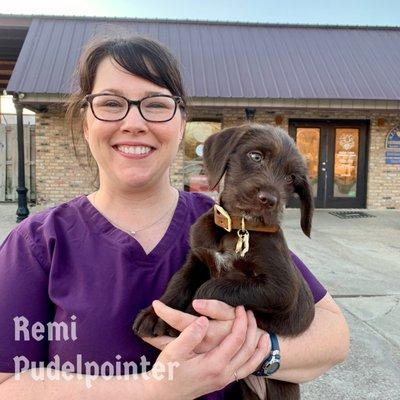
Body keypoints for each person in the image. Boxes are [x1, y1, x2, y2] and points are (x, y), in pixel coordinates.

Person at [0, 36, 349, 399]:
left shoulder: (233, 223)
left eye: (155, 104)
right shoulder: (38, 242)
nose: (133, 122)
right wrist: (153, 388)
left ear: (182, 123)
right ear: (85, 123)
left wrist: (255, 353)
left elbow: (333, 335)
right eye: (111, 103)